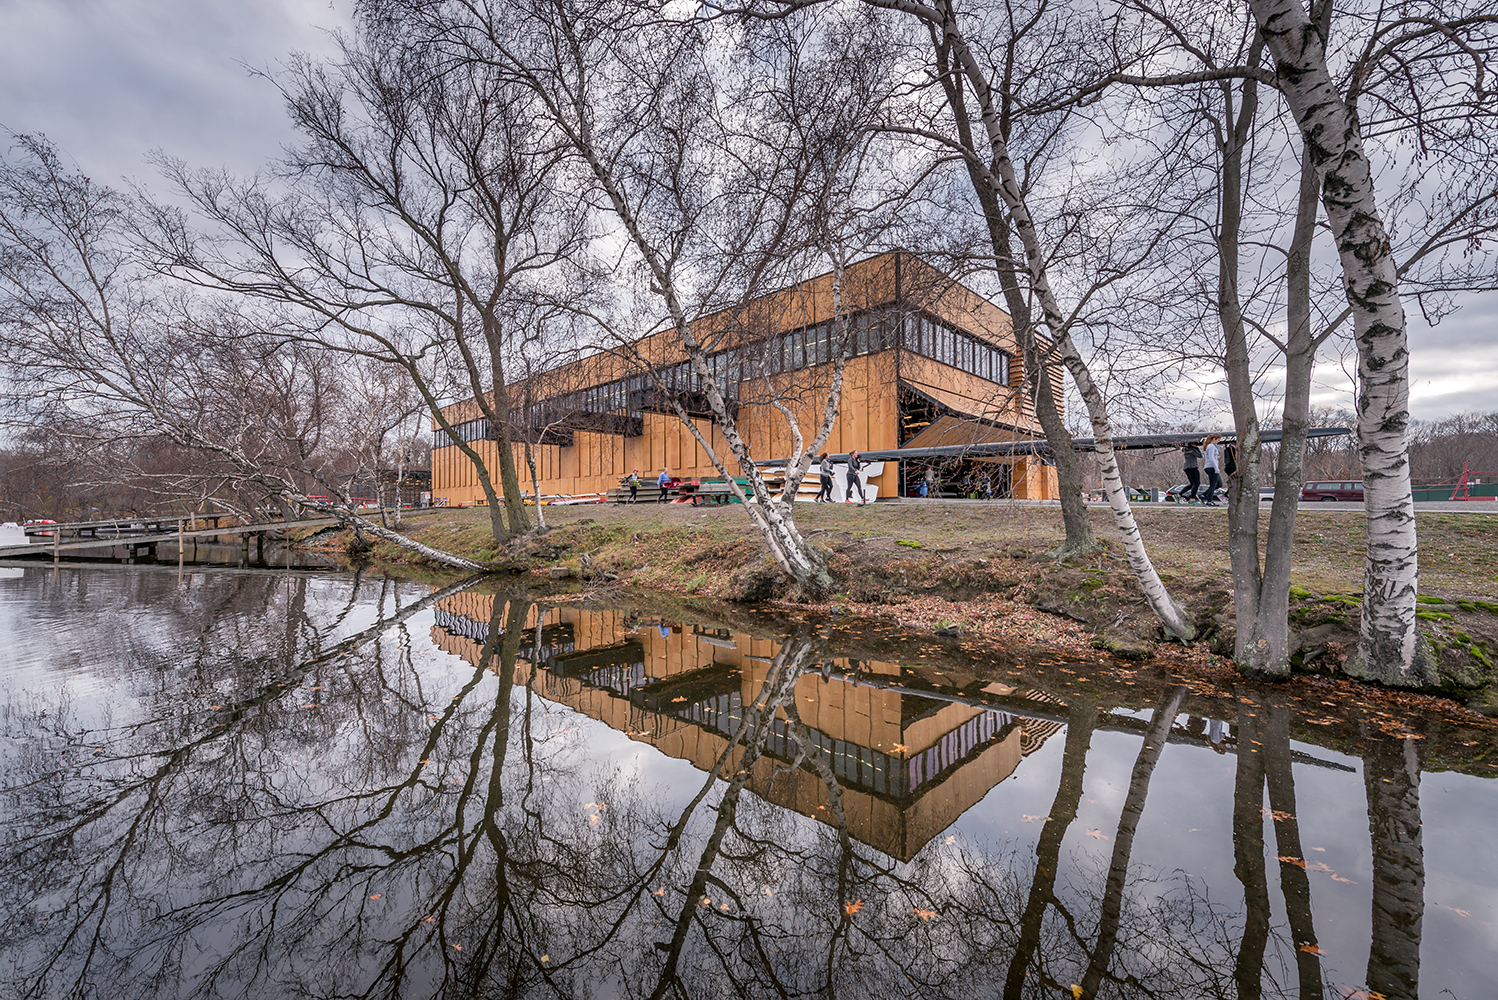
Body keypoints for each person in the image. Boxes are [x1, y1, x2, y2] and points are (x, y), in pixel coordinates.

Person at [1201, 434, 1223, 506]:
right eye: (1218, 440)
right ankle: (1209, 501)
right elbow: (1211, 458)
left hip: (1212, 466)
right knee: (1213, 485)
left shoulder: (1212, 446)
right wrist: (1216, 468)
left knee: (1219, 484)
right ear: (1214, 439)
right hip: (1212, 467)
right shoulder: (1211, 446)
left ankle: (1204, 494)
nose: (1218, 441)